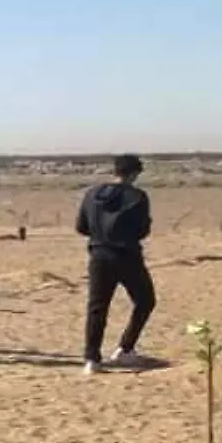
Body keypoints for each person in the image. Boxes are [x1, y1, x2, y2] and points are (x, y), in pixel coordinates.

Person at [78, 154, 155, 375]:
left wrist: (100, 235)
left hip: (99, 255)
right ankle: (125, 347)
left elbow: (81, 226)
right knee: (145, 300)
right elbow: (142, 231)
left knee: (97, 308)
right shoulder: (138, 196)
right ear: (134, 173)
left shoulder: (92, 194)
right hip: (127, 255)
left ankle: (92, 359)